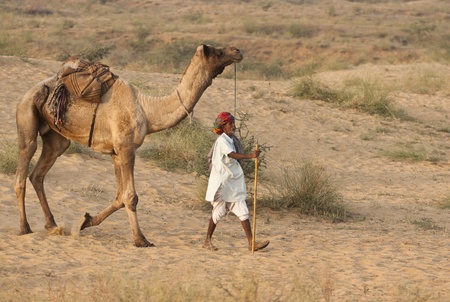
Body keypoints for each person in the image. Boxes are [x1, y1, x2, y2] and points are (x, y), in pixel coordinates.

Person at [203, 112, 270, 252]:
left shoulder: (231, 139)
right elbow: (232, 154)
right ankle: (207, 241)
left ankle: (251, 243)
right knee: (219, 212)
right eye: (230, 123)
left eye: (233, 123)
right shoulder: (222, 141)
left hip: (232, 183)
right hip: (223, 184)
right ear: (223, 126)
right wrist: (250, 156)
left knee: (242, 211)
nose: (233, 125)